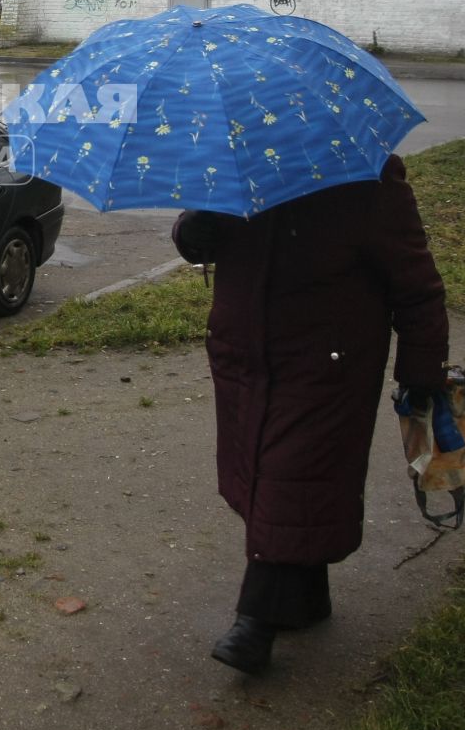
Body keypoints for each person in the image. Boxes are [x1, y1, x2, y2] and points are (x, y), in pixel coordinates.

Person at [171, 154, 449, 676]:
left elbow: (417, 282)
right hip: (244, 358)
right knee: (275, 480)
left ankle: (255, 622)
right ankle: (305, 597)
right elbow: (195, 242)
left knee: (287, 475)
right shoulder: (233, 159)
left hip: (326, 363)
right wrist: (195, 229)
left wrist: (422, 367)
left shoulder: (367, 172)